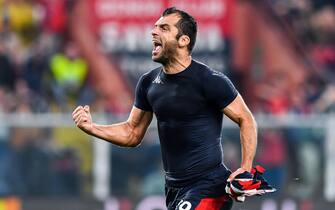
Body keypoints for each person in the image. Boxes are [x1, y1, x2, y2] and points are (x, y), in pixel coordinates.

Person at [72, 7, 257, 210]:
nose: (154, 32)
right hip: (174, 188)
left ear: (183, 40)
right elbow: (132, 133)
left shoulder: (210, 80)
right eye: (155, 27)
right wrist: (92, 128)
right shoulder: (148, 82)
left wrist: (245, 169)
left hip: (209, 185)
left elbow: (246, 119)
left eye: (164, 28)